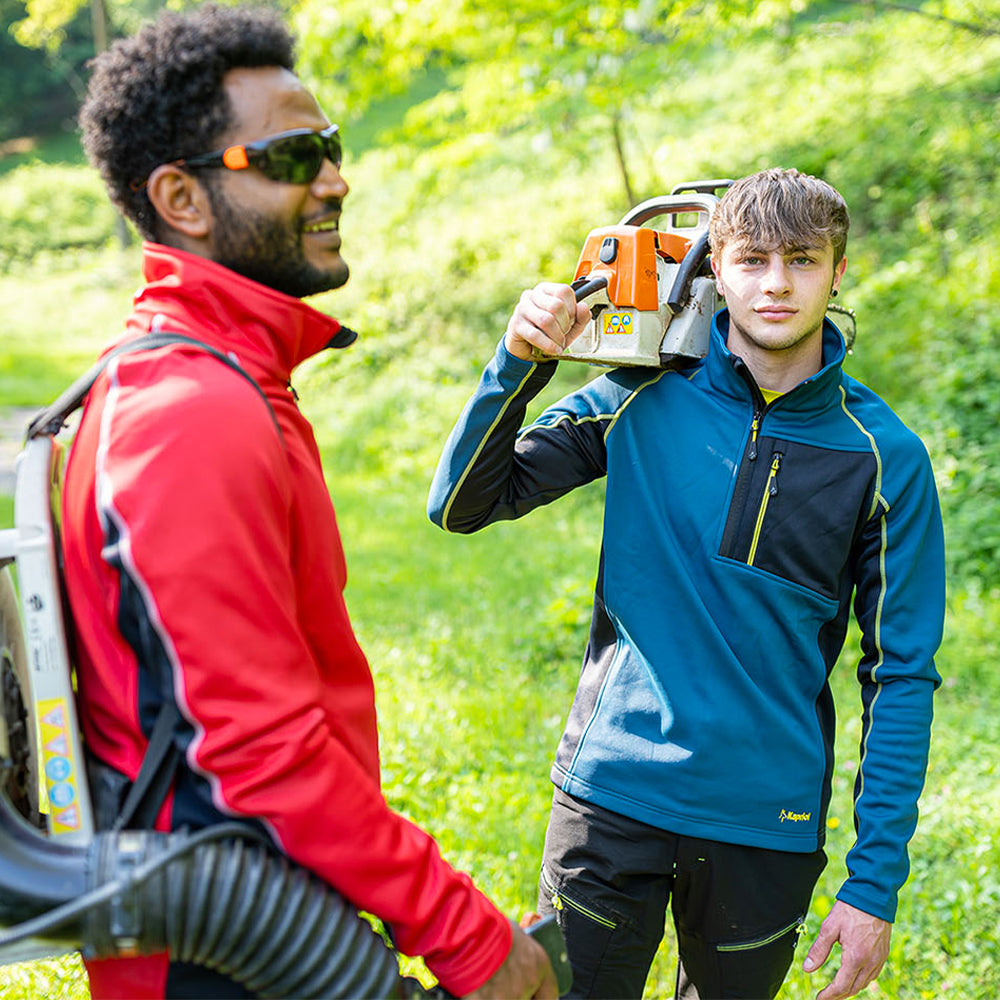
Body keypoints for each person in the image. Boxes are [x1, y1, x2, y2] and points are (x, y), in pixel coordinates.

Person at [65, 5, 556, 999]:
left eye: (328, 148)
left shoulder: (218, 378)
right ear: (181, 198)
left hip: (266, 916)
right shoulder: (190, 411)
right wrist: (467, 935)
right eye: (293, 157)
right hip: (217, 946)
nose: (335, 179)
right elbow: (255, 745)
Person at [428, 168, 944, 1000]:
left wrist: (873, 882)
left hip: (764, 822)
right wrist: (519, 363)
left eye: (803, 261)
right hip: (611, 793)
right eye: (752, 260)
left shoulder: (885, 457)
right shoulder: (639, 393)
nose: (776, 284)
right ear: (717, 268)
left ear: (839, 270)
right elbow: (462, 503)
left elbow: (902, 676)